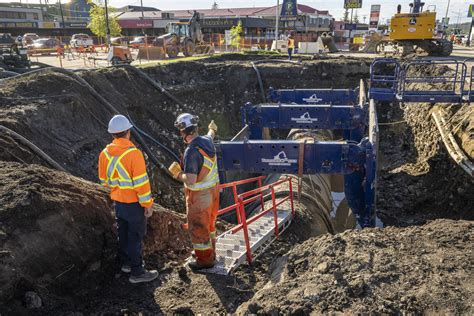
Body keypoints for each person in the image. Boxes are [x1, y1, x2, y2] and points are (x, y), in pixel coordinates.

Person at [98, 114, 158, 283]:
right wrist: (147, 205)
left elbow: (104, 181)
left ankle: (127, 264)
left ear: (112, 134)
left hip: (118, 202)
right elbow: (141, 184)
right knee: (135, 237)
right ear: (128, 132)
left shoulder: (105, 153)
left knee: (123, 235)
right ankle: (137, 272)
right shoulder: (134, 154)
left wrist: (118, 192)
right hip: (134, 204)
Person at [168, 114, 219, 270]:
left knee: (198, 227)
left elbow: (190, 179)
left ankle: (204, 260)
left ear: (183, 132)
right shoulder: (207, 141)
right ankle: (211, 252)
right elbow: (210, 134)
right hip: (214, 192)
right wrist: (212, 129)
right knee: (209, 225)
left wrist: (177, 174)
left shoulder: (191, 151)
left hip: (200, 197)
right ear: (195, 128)